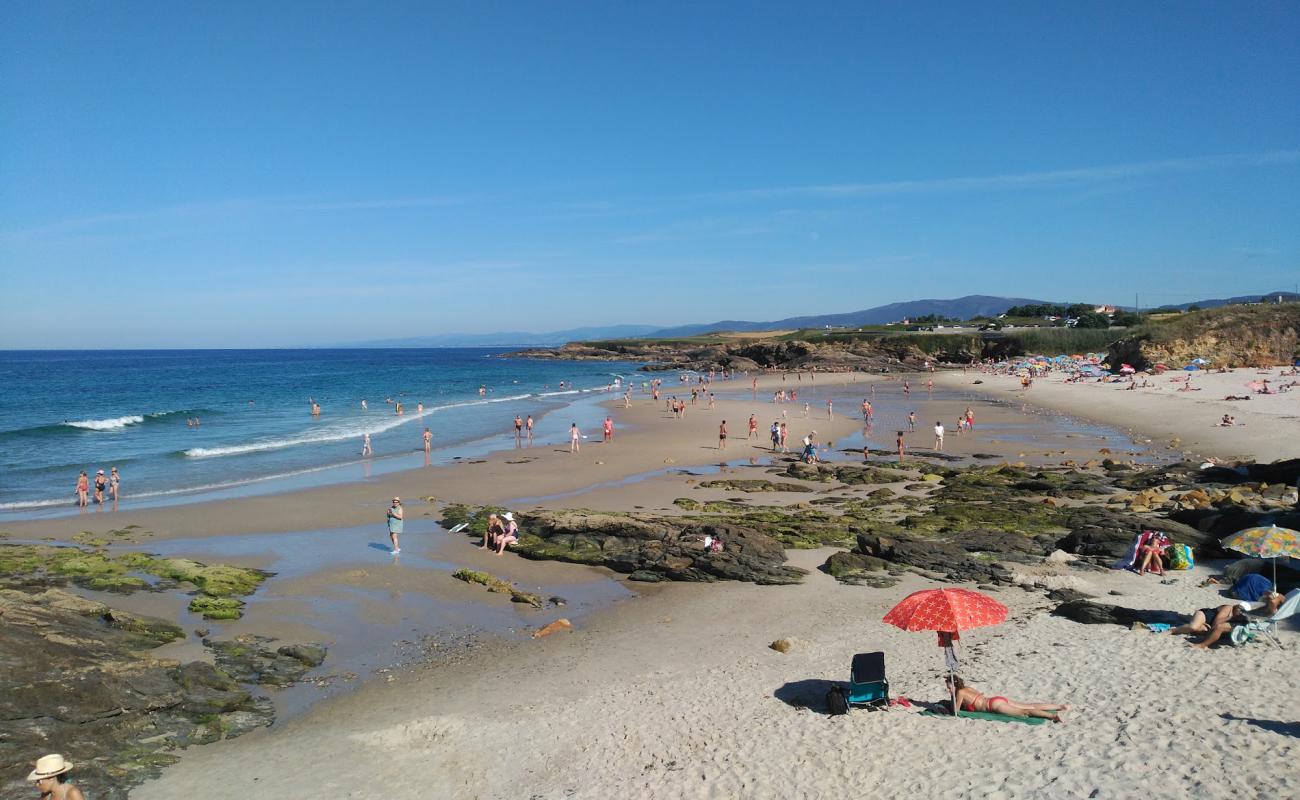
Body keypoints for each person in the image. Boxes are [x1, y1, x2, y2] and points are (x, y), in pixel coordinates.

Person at [1170, 593, 1284, 649]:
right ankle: (1174, 630)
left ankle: (1202, 643)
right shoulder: (1229, 608)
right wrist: (1233, 616)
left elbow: (1278, 600)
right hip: (1206, 615)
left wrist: (1275, 596)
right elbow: (1217, 622)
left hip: (1210, 625)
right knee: (1194, 627)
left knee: (1206, 629)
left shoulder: (1269, 610)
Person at [945, 676, 1067, 723]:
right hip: (995, 699)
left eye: (949, 687)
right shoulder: (967, 688)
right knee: (1029, 705)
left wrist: (952, 698)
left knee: (1024, 712)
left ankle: (1053, 717)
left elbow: (955, 710)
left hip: (993, 706)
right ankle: (1060, 707)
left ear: (954, 685)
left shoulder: (960, 693)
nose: (948, 690)